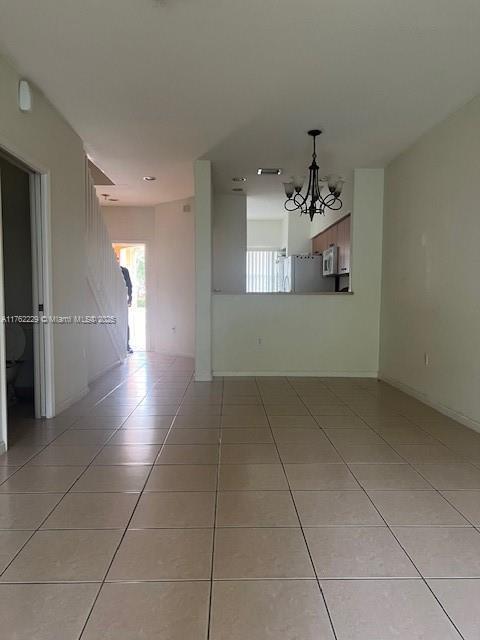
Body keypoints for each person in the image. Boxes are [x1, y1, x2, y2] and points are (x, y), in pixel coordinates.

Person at [117, 255, 133, 354]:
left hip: (122, 300)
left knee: (125, 322)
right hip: (113, 298)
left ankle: (126, 345)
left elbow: (129, 285)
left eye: (117, 259)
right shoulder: (110, 272)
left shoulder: (124, 271)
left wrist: (130, 297)